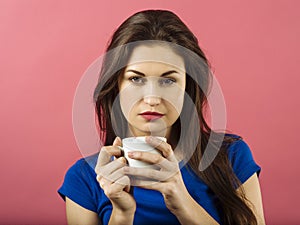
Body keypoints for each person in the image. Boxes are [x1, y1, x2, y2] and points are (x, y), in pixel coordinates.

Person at [58, 9, 265, 225]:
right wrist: (122, 213)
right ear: (116, 86)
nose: (152, 99)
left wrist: (183, 203)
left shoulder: (231, 157)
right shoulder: (83, 179)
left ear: (188, 88)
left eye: (168, 81)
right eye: (136, 79)